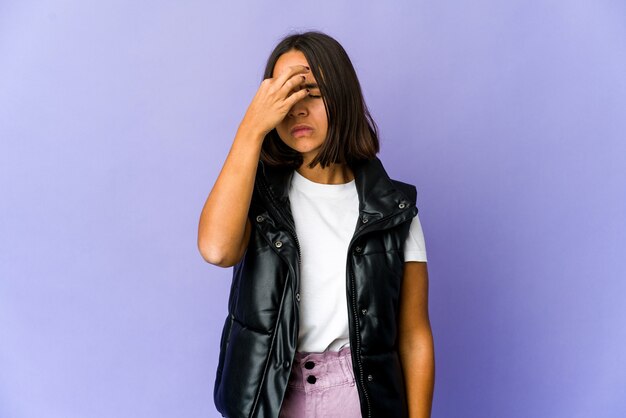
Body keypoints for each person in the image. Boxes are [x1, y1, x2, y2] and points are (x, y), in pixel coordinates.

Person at [198, 31, 434, 418]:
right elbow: (217, 250)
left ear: (342, 95)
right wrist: (251, 128)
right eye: (284, 95)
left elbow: (414, 335)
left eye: (312, 92)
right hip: (266, 396)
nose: (297, 109)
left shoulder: (393, 207)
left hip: (358, 395)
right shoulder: (254, 193)